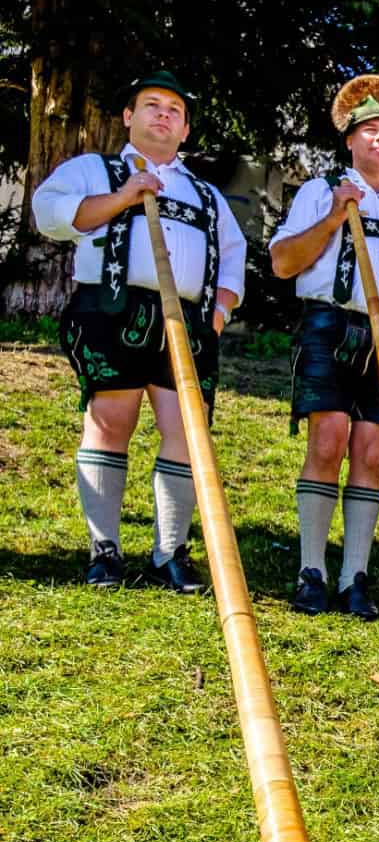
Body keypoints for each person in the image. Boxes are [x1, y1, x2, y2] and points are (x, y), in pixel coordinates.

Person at [32, 70, 246, 592]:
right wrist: (125, 196)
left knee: (186, 429)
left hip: (188, 323)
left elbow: (233, 260)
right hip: (111, 310)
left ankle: (169, 552)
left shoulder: (206, 195)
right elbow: (48, 214)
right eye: (152, 105)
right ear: (130, 117)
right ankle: (104, 549)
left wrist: (216, 316)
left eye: (175, 109)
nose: (164, 115)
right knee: (110, 418)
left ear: (186, 129)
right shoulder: (94, 169)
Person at [269, 74, 379, 620]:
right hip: (331, 326)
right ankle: (311, 570)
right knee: (327, 441)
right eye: (370, 130)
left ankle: (355, 576)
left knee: (371, 453)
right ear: (349, 139)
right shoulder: (321, 191)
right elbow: (283, 263)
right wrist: (335, 216)